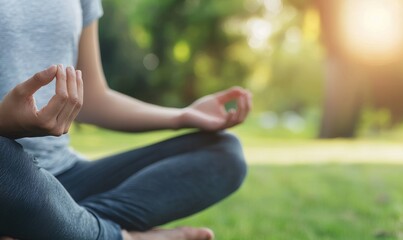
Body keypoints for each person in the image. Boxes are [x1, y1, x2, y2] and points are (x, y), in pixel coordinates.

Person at [0, 0, 251, 239]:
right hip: (7, 174)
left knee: (222, 151)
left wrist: (183, 115)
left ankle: (60, 226)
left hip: (63, 177)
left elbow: (93, 98)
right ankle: (111, 236)